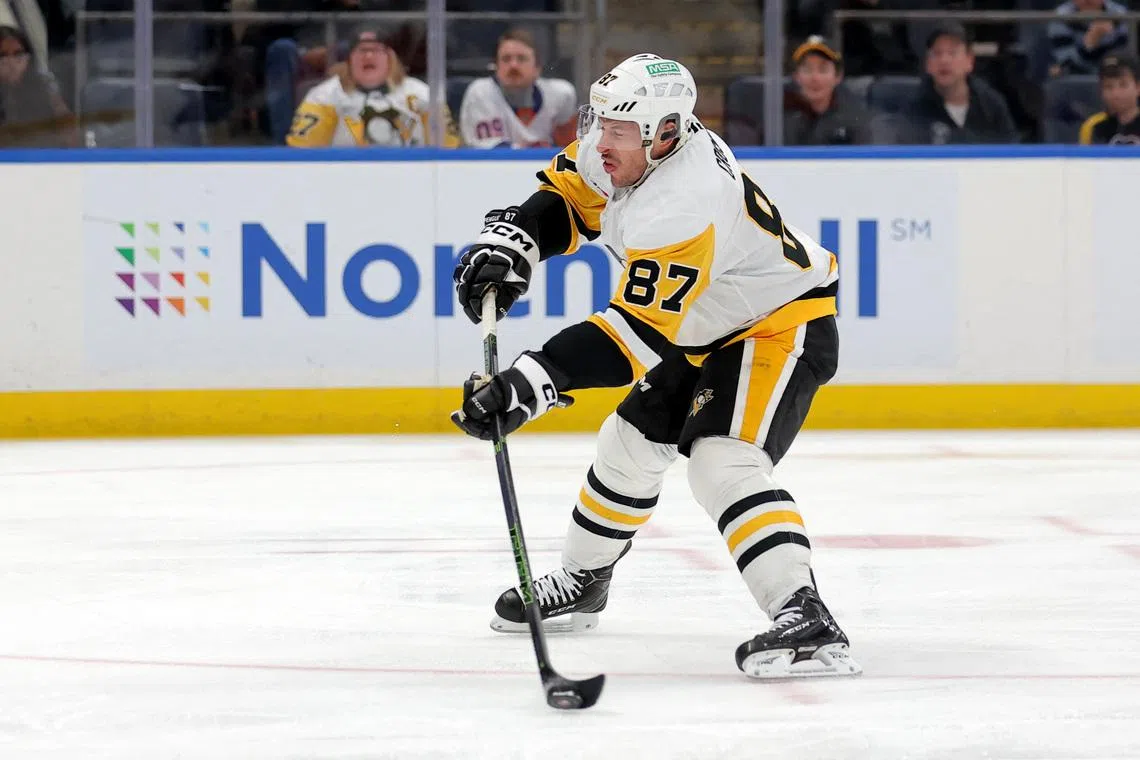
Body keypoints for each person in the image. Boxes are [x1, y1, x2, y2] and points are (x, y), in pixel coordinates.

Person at [450, 54, 861, 680]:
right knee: (629, 444)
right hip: (703, 326)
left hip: (777, 323)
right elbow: (567, 202)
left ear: (665, 132)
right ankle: (586, 579)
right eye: (602, 121)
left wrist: (528, 385)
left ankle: (804, 613)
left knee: (723, 457)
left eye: (620, 128)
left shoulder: (686, 197)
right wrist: (513, 247)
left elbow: (633, 336)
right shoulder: (625, 145)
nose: (600, 140)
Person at [286, 28, 457, 148]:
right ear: (349, 60)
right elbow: (302, 154)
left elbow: (448, 149)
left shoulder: (422, 94)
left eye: (376, 50)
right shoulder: (324, 97)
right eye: (361, 51)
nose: (368, 56)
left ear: (391, 58)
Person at [458, 27, 577, 149]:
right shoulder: (481, 93)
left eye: (521, 59)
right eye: (506, 59)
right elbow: (490, 153)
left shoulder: (561, 95)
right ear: (496, 67)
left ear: (537, 68)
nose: (513, 65)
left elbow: (569, 147)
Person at [902, 22, 1018, 145]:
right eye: (937, 53)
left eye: (952, 53)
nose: (944, 61)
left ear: (969, 61)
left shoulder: (990, 103)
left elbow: (1012, 154)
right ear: (928, 64)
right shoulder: (915, 107)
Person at [785, 35, 871, 146]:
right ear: (796, 77)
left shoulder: (855, 119)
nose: (815, 78)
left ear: (838, 77)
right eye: (807, 69)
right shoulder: (777, 120)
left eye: (823, 70)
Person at [0, 24, 75, 148]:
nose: (11, 63)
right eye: (3, 56)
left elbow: (70, 135)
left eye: (18, 55)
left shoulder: (44, 89)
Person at [1049, 0, 1129, 77]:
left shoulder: (1121, 14)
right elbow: (1065, 63)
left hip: (1114, 76)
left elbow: (1125, 59)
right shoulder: (1060, 17)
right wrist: (1089, 43)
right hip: (1076, 79)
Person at [1079, 54, 1140, 145]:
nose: (1116, 93)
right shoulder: (1092, 127)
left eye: (1123, 85)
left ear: (1138, 87)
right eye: (1108, 87)